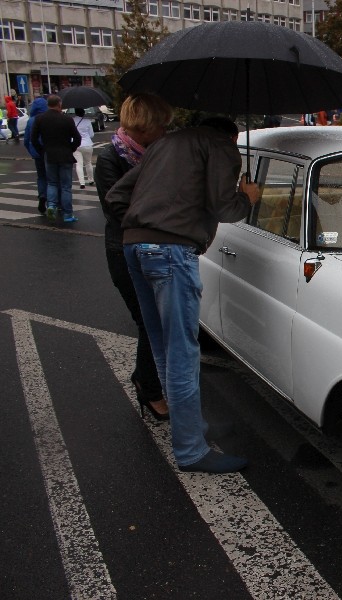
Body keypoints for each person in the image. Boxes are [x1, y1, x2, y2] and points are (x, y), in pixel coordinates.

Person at [107, 117, 260, 474]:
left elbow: (116, 197)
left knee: (162, 345)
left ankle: (188, 425)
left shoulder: (164, 144)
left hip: (134, 247)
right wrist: (247, 197)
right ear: (232, 136)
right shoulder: (222, 147)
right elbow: (225, 208)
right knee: (182, 352)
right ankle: (191, 450)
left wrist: (147, 224)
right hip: (171, 253)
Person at [95, 93, 174, 422]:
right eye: (160, 127)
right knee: (148, 320)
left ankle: (148, 380)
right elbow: (118, 210)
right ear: (143, 127)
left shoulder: (158, 153)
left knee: (158, 320)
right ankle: (149, 388)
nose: (164, 132)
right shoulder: (110, 159)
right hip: (125, 250)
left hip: (157, 247)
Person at [31, 95, 81, 222]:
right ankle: (67, 214)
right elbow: (77, 138)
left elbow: (33, 139)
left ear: (48, 105)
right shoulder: (67, 119)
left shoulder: (40, 119)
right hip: (65, 155)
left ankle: (52, 206)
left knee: (52, 183)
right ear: (59, 104)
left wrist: (42, 151)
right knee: (66, 186)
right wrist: (71, 148)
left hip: (49, 154)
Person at [23, 97, 49, 214]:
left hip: (37, 154)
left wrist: (32, 151)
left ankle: (42, 196)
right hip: (48, 152)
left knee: (41, 177)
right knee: (52, 178)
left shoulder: (30, 121)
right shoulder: (47, 118)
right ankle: (53, 201)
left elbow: (26, 140)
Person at [72, 108, 95, 189]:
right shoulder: (87, 121)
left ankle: (82, 183)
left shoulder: (72, 121)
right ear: (83, 113)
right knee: (88, 162)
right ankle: (91, 180)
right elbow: (91, 134)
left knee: (79, 164)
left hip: (76, 144)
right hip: (87, 144)